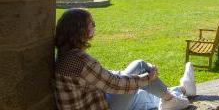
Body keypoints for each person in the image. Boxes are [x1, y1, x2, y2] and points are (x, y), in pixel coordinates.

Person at [54, 8, 196, 110]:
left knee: (141, 91)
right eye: (91, 23)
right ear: (80, 29)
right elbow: (114, 84)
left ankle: (182, 90)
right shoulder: (79, 60)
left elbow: (101, 77)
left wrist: (130, 76)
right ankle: (172, 99)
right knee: (140, 67)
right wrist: (148, 78)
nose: (95, 26)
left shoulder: (65, 55)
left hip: (98, 99)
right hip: (103, 106)